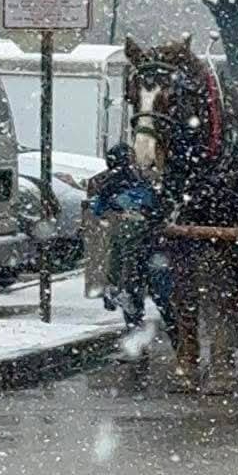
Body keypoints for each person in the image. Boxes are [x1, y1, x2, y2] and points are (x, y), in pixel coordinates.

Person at [88, 143, 177, 352]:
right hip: (149, 248)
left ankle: (142, 334)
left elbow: (98, 210)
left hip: (138, 248)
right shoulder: (144, 181)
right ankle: (173, 336)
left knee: (134, 292)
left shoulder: (110, 184)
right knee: (155, 293)